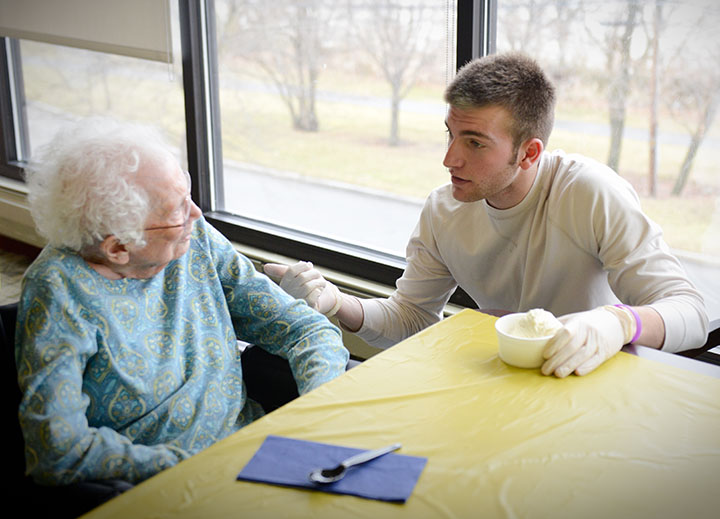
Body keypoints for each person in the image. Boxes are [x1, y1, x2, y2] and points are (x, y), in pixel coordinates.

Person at [264, 52, 708, 378]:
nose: (449, 159)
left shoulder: (589, 193)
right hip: (497, 385)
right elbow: (411, 319)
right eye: (451, 135)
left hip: (596, 386)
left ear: (529, 152)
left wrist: (618, 322)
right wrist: (336, 302)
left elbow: (690, 314)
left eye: (474, 142)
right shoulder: (445, 210)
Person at [15, 117, 349, 490]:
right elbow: (58, 450)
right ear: (118, 247)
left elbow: (306, 328)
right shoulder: (58, 290)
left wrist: (315, 412)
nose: (196, 214)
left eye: (186, 192)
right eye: (175, 209)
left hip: (260, 455)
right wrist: (187, 464)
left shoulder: (193, 241)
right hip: (164, 489)